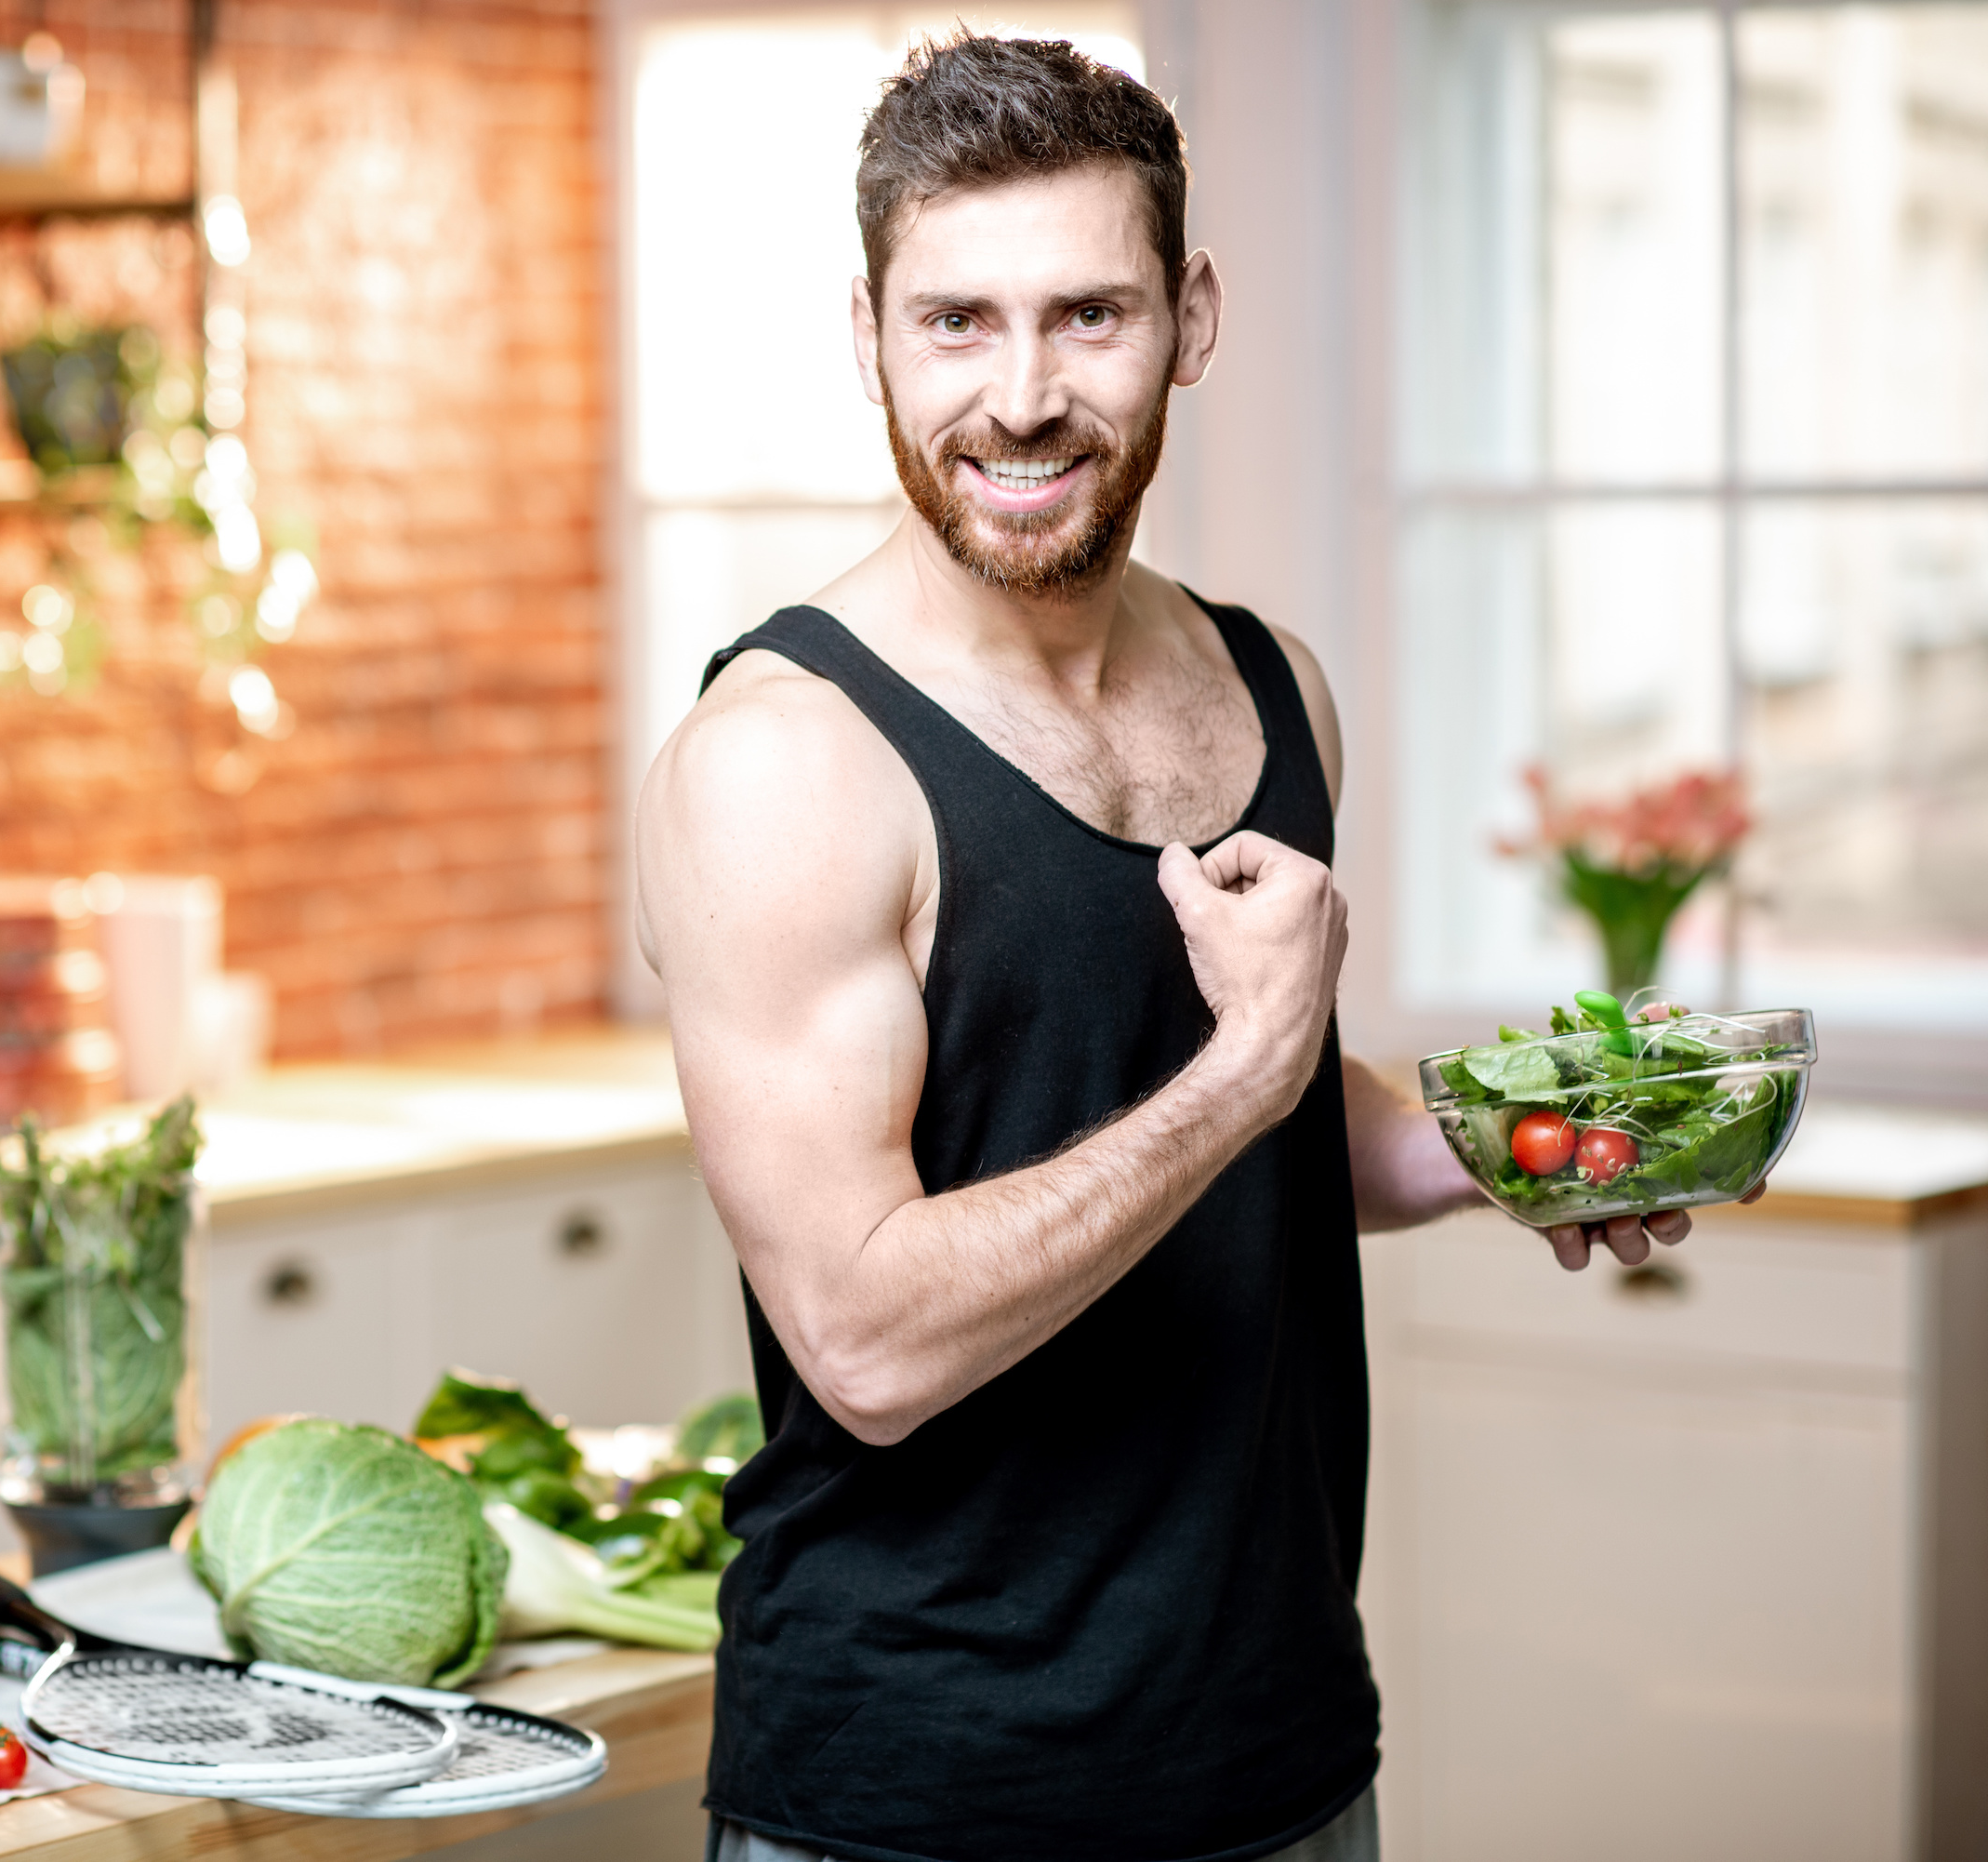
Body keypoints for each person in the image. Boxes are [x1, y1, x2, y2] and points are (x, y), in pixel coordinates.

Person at [633, 34, 1750, 1862]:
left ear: (1191, 318)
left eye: (1088, 315)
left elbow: (1282, 1105)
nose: (1019, 397)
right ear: (868, 337)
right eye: (956, 323)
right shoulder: (784, 760)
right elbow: (864, 1331)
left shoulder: (1269, 682)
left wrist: (1512, 1146)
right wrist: (1241, 1075)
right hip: (924, 1792)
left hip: (1285, 1749)